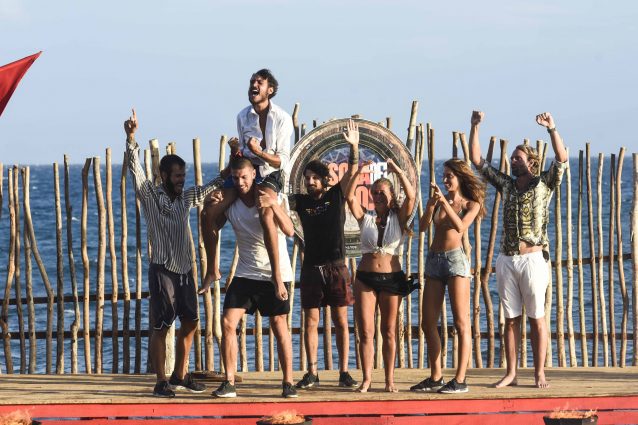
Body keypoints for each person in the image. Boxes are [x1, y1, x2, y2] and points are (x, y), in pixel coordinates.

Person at [124, 109, 222, 398]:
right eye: (177, 176)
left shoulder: (186, 198)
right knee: (161, 326)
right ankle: (160, 381)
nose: (182, 180)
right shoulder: (150, 195)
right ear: (164, 175)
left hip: (185, 271)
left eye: (183, 175)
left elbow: (209, 188)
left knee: (191, 323)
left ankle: (180, 375)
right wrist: (131, 137)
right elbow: (135, 169)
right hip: (162, 271)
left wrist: (230, 169)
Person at [469, 110, 568, 389]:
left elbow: (561, 159)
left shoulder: (544, 183)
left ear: (531, 162)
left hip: (533, 259)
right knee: (510, 319)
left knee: (537, 318)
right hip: (507, 259)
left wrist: (552, 128)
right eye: (512, 158)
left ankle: (539, 373)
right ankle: (511, 373)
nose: (513, 161)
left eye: (517, 158)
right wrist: (474, 126)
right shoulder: (506, 185)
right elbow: (477, 160)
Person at [202, 157, 297, 399]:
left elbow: (289, 230)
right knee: (227, 323)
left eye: (244, 177)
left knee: (279, 325)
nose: (240, 182)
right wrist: (210, 204)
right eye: (236, 178)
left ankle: (288, 382)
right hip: (246, 272)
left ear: (254, 174)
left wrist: (274, 205)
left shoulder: (269, 196)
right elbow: (213, 224)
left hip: (276, 272)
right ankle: (229, 382)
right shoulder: (231, 202)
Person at [201, 69, 292, 305]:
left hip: (270, 172)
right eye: (252, 81)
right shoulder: (243, 116)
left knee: (265, 212)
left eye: (259, 82)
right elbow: (242, 156)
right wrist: (235, 151)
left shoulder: (282, 118)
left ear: (270, 90)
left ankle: (277, 276)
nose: (254, 85)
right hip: (246, 171)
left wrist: (260, 152)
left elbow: (282, 161)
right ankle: (212, 269)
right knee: (208, 210)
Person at [289, 120, 360, 390]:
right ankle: (312, 372)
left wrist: (353, 147)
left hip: (337, 267)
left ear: (324, 180)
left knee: (341, 321)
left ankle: (344, 372)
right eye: (307, 178)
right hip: (311, 268)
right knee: (311, 321)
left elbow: (352, 172)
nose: (310, 182)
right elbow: (278, 202)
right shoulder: (301, 201)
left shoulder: (336, 196)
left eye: (314, 178)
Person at [411, 159, 486, 394]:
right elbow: (423, 227)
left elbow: (461, 227)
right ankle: (436, 377)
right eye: (443, 175)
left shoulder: (471, 204)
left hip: (455, 261)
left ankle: (460, 379)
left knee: (461, 323)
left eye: (449, 176)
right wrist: (432, 205)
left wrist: (445, 202)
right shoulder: (440, 200)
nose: (445, 180)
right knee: (427, 323)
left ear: (460, 178)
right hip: (434, 261)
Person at [345, 158, 417, 392]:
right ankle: (367, 379)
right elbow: (349, 197)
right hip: (365, 278)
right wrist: (359, 172)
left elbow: (412, 196)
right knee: (366, 331)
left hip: (391, 279)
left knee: (389, 331)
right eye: (374, 193)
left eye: (382, 193)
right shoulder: (365, 217)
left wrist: (398, 171)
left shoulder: (399, 217)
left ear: (391, 195)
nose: (378, 196)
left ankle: (389, 380)